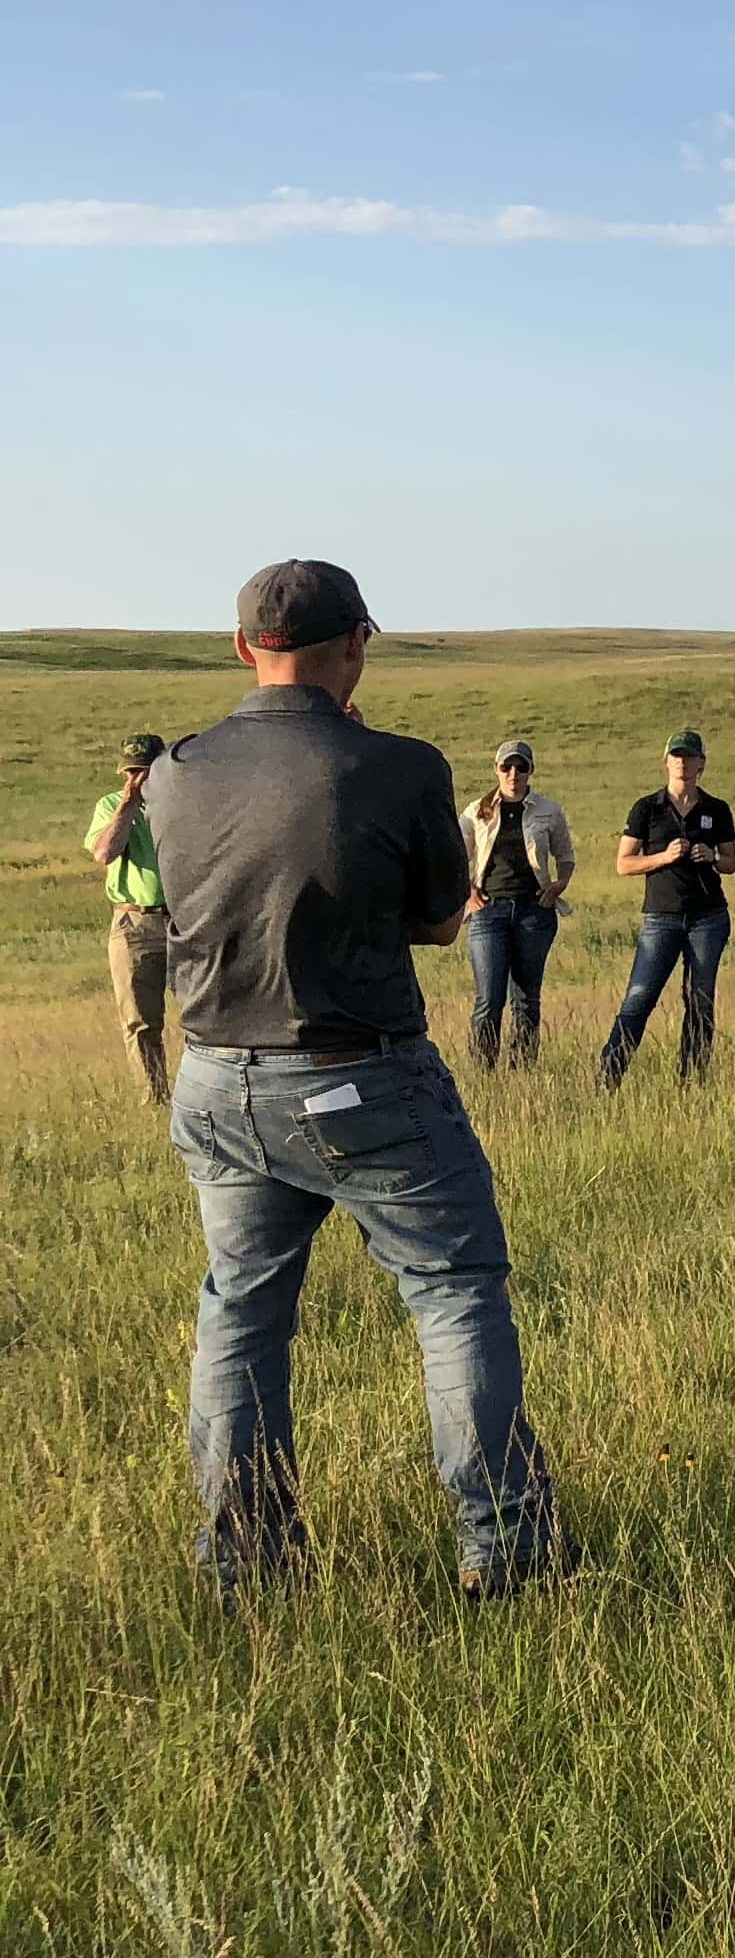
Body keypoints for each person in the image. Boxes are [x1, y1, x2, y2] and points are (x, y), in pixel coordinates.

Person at [145, 558, 561, 1599]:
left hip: (215, 1076)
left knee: (240, 1310)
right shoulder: (400, 765)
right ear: (356, 645)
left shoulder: (176, 772)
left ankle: (245, 1561)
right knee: (454, 1291)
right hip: (358, 1073)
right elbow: (435, 920)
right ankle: (504, 1547)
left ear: (244, 648)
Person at [597, 728, 735, 1088]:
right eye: (676, 756)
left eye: (689, 756)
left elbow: (731, 862)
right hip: (661, 917)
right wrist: (663, 857)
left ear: (701, 764)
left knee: (700, 998)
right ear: (666, 762)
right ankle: (608, 1075)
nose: (682, 762)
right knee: (641, 995)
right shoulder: (647, 808)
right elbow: (624, 863)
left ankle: (692, 1080)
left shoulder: (716, 808)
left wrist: (712, 856)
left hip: (708, 916)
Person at [454, 739, 577, 1071]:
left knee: (526, 999)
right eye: (507, 767)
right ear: (496, 770)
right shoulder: (477, 811)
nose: (513, 774)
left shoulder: (548, 810)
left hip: (533, 910)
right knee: (489, 999)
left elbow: (565, 855)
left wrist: (559, 885)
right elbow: (453, 856)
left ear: (530, 771)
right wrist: (467, 892)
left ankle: (522, 1071)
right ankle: (484, 1071)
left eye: (521, 767)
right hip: (488, 911)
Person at [89, 729, 175, 1103]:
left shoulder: (179, 802)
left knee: (205, 1014)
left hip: (183, 918)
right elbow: (104, 853)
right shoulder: (111, 805)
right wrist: (127, 803)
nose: (137, 780)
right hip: (133, 923)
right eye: (130, 772)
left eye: (144, 772)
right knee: (140, 1021)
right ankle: (153, 1099)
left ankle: (201, 1095)